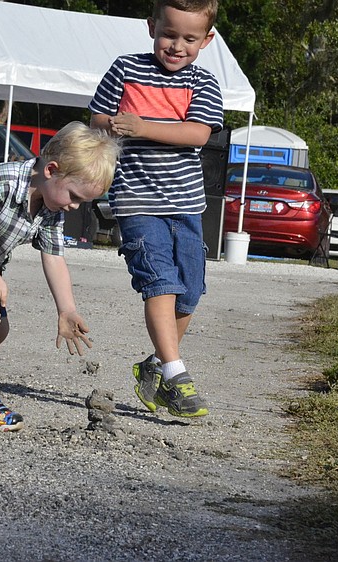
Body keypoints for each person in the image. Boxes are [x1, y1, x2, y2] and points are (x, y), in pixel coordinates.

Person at [0, 122, 120, 432]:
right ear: (52, 170)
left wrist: (66, 309)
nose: (74, 206)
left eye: (81, 201)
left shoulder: (52, 204)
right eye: (74, 196)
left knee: (0, 328)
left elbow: (54, 256)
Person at [88, 0, 224, 418]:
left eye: (189, 38)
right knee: (160, 281)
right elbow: (95, 118)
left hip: (185, 204)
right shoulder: (125, 69)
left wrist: (143, 125)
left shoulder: (204, 82)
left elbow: (198, 134)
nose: (177, 46)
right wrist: (110, 124)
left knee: (190, 291)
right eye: (169, 34)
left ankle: (155, 366)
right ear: (151, 27)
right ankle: (177, 374)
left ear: (207, 39)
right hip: (136, 201)